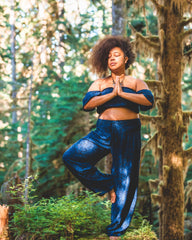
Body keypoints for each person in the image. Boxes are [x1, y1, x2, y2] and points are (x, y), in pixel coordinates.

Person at [62, 35, 154, 240]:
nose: (112, 59)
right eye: (109, 56)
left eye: (117, 55)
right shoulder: (99, 83)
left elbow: (148, 101)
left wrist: (123, 93)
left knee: (126, 179)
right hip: (103, 130)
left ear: (126, 59)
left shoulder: (136, 81)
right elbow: (87, 104)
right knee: (72, 157)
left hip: (129, 130)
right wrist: (112, 94)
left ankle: (116, 233)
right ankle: (106, 184)